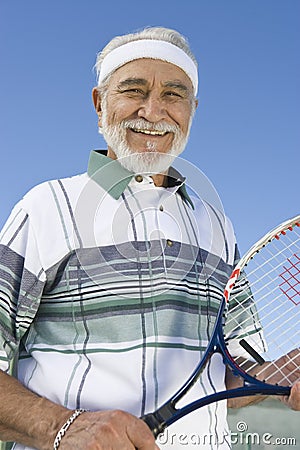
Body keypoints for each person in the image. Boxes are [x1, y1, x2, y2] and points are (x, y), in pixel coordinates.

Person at [0, 27, 299, 450]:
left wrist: (276, 376)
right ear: (99, 104)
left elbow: (234, 372)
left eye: (174, 95)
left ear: (192, 110)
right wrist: (59, 427)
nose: (154, 111)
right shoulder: (46, 206)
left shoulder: (217, 226)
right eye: (133, 90)